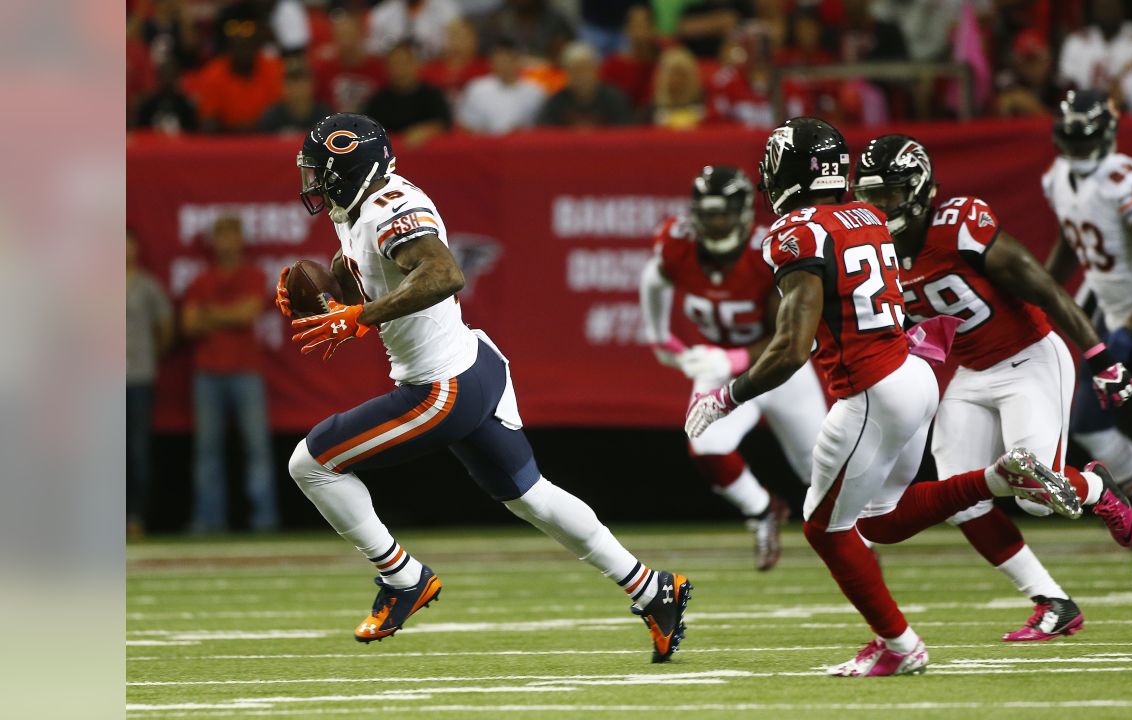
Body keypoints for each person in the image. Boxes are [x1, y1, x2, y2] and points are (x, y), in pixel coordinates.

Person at [278, 114, 691, 662]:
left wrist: (359, 317)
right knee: (532, 497)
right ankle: (651, 589)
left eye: (320, 173)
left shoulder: (390, 208)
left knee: (312, 464)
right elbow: (370, 270)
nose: (313, 184)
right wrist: (331, 298)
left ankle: (403, 579)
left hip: (442, 386)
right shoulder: (360, 209)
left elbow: (444, 273)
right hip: (474, 367)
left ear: (349, 168)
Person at [685, 117, 1090, 677]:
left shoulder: (796, 233)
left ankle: (900, 646)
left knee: (822, 528)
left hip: (873, 389)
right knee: (880, 521)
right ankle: (999, 478)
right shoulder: (869, 216)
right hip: (916, 375)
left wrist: (729, 395)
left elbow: (792, 345)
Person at [851, 133, 1132, 641]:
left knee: (1034, 495)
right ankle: (1052, 601)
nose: (881, 207)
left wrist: (1098, 356)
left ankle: (1095, 486)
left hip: (1030, 358)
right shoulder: (873, 251)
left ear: (919, 190)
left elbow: (1041, 284)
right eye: (872, 196)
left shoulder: (958, 225)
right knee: (962, 498)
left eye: (891, 194)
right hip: (971, 373)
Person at [640, 166, 821, 570]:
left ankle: (855, 535)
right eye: (707, 212)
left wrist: (735, 359)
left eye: (722, 212)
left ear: (741, 212)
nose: (714, 221)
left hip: (779, 368)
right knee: (705, 444)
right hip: (719, 366)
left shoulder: (768, 250)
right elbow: (653, 278)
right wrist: (658, 337)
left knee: (816, 465)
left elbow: (790, 335)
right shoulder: (679, 244)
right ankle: (762, 510)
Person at [1043, 90, 1132, 579]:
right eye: (1070, 136)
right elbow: (1073, 241)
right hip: (1117, 319)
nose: (1077, 146)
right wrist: (1041, 289)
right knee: (1088, 422)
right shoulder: (1056, 180)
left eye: (1082, 137)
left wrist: (1131, 326)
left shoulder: (1126, 179)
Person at [183, 215, 278, 533]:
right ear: (213, 242)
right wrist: (229, 314)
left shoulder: (253, 274)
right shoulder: (201, 279)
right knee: (207, 451)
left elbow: (248, 313)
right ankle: (209, 521)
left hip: (245, 371)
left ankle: (263, 520)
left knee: (256, 449)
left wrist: (211, 313)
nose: (225, 243)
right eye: (220, 237)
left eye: (231, 236)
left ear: (240, 241)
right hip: (207, 373)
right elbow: (189, 325)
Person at [126, 229, 174, 538]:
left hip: (139, 376)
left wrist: (151, 356)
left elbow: (166, 326)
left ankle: (135, 517)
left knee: (136, 451)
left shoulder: (147, 285)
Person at [190, 15, 284, 133]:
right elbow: (207, 122)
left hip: (267, 140)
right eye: (239, 47)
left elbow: (285, 114)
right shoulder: (213, 73)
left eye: (248, 46)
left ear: (256, 48)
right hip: (228, 142)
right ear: (229, 50)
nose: (244, 52)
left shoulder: (274, 68)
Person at [1057, 0, 1132, 112]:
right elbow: (1066, 87)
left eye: (1111, 4)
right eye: (1102, 5)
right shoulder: (1076, 41)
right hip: (1084, 114)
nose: (1106, 10)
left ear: (1121, 6)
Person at [363, 42, 452, 146]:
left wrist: (426, 130)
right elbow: (368, 129)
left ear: (416, 64)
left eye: (405, 62)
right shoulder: (378, 99)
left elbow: (444, 123)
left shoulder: (432, 94)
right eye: (394, 63)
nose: (400, 68)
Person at [456, 39, 546, 135]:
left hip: (523, 144)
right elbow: (466, 126)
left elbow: (543, 127)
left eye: (507, 59)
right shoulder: (477, 89)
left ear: (517, 60)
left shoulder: (536, 92)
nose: (503, 64)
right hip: (485, 144)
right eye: (498, 60)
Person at [536, 42, 633, 128]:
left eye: (584, 68)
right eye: (574, 70)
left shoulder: (612, 98)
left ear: (596, 69)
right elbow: (546, 133)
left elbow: (626, 132)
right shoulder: (557, 102)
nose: (580, 75)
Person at [311, 10, 387, 114]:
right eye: (341, 35)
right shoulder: (323, 68)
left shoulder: (379, 67)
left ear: (361, 35)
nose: (346, 41)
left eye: (349, 34)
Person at [420, 18, 490, 105]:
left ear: (475, 40)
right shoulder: (429, 70)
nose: (458, 42)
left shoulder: (487, 69)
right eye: (454, 36)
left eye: (464, 37)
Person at [367, 0, 462, 59]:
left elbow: (458, 45)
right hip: (394, 71)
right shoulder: (382, 13)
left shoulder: (447, 9)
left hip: (434, 67)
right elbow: (373, 50)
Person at [257, 62, 333, 134]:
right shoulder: (272, 116)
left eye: (302, 83)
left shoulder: (325, 116)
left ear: (313, 85)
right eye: (292, 84)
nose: (297, 90)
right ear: (283, 87)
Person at [647, 46, 707, 130]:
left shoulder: (706, 103)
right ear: (663, 78)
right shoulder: (650, 110)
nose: (677, 79)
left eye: (682, 74)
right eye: (673, 74)